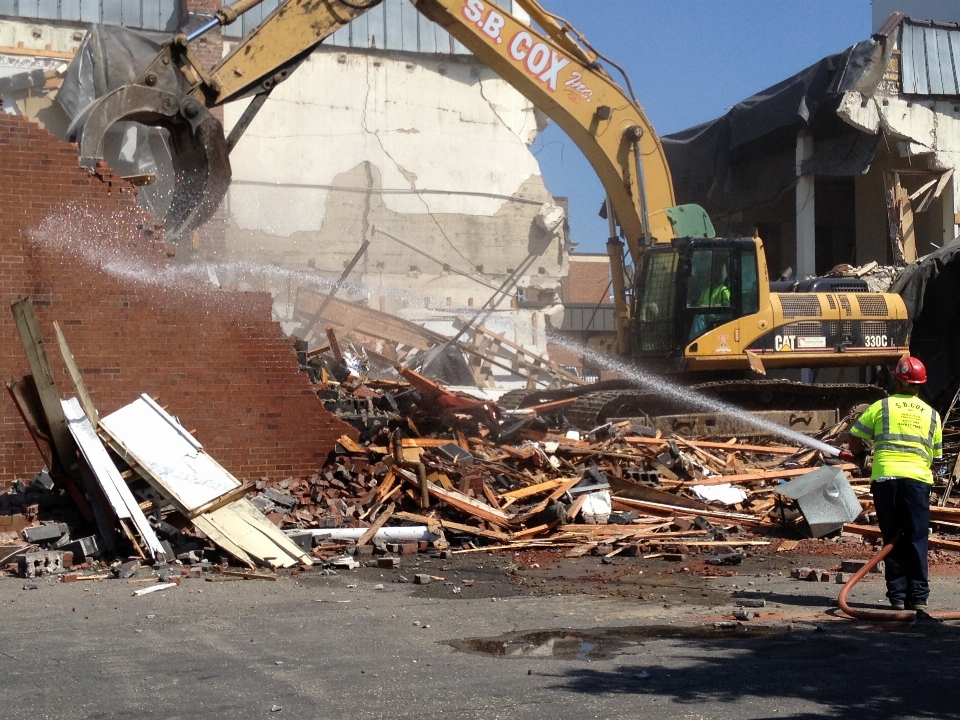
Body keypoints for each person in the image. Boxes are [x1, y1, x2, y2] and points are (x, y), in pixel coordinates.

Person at [842, 356, 943, 611]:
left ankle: (897, 597)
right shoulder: (932, 415)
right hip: (918, 481)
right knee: (917, 538)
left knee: (891, 538)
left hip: (886, 479)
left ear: (898, 381)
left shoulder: (881, 407)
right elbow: (937, 456)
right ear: (919, 385)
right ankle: (918, 597)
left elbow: (854, 438)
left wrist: (861, 455)